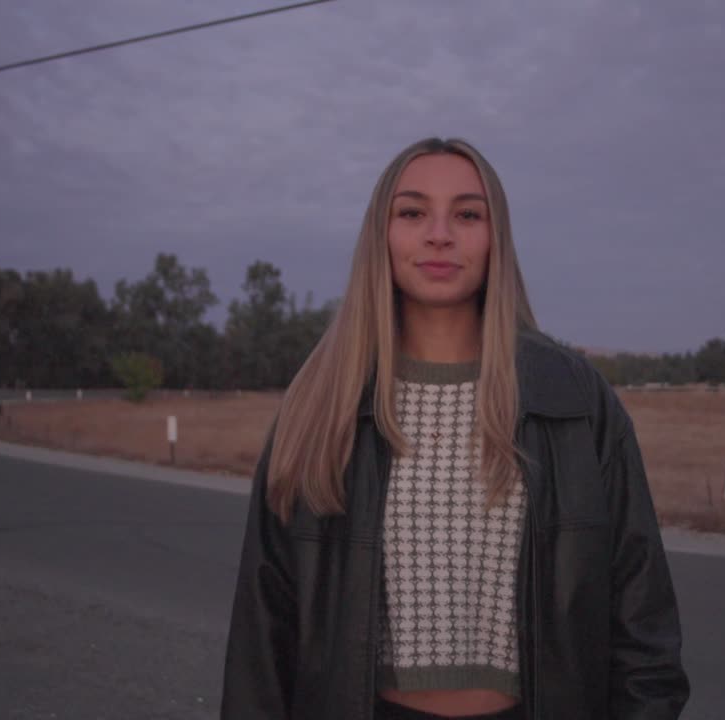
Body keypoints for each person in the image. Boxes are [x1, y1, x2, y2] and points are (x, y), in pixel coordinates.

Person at [220, 137, 690, 720]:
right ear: (381, 236)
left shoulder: (574, 398)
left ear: (497, 238)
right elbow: (263, 634)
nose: (439, 234)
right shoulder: (319, 402)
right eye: (413, 212)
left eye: (467, 214)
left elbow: (642, 620)